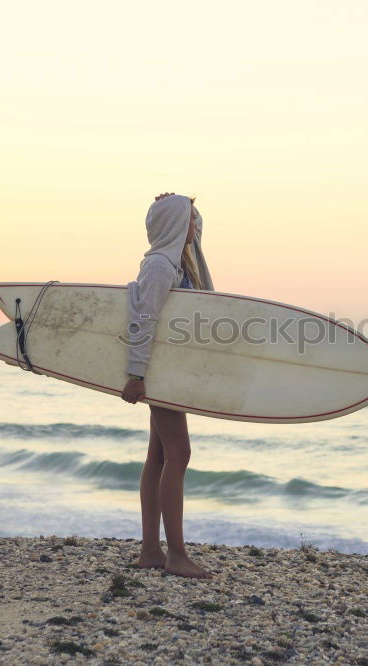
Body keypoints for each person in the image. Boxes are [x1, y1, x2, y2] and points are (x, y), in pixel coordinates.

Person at [121, 192, 215, 579]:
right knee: (179, 454)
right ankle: (176, 555)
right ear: (177, 224)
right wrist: (137, 374)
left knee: (159, 456)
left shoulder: (180, 263)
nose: (195, 225)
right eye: (189, 219)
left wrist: (179, 205)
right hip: (160, 373)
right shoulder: (160, 266)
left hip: (171, 371)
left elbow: (194, 234)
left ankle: (150, 551)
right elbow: (141, 318)